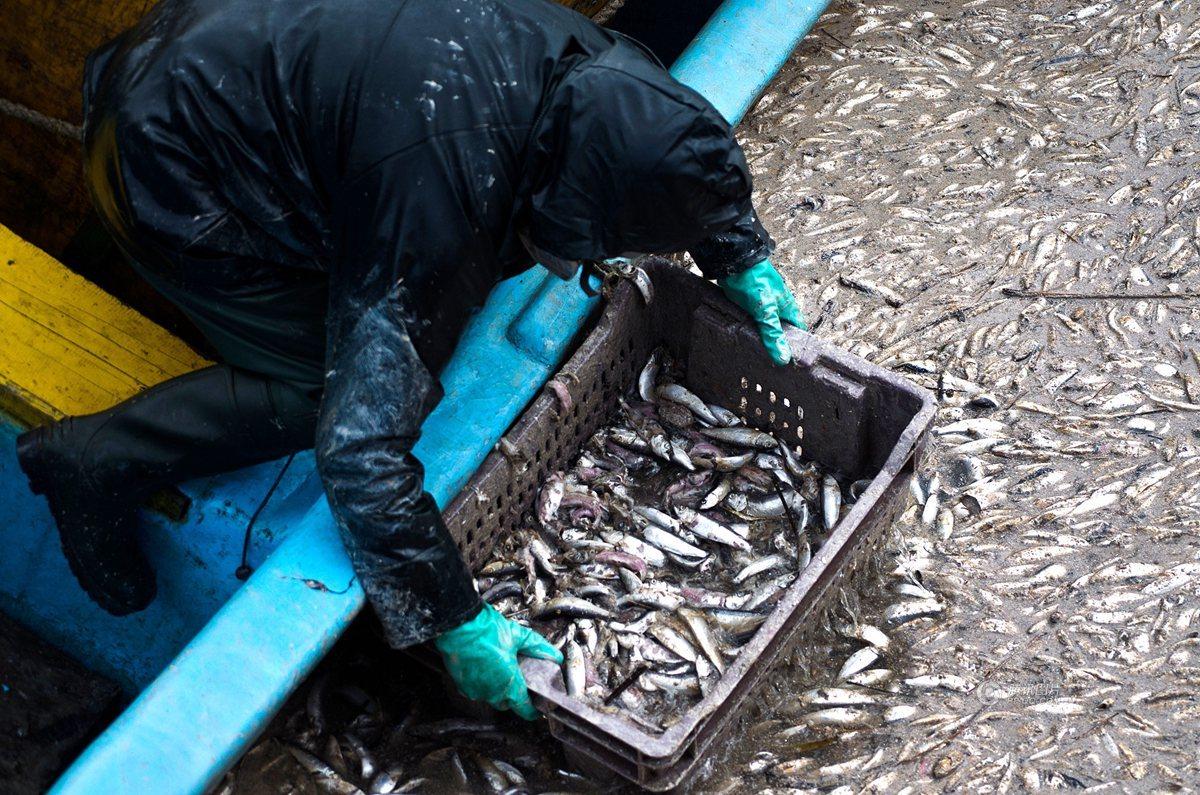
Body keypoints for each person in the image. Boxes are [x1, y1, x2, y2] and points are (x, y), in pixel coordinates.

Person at [16, 0, 806, 719]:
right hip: (166, 152)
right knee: (318, 386)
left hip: (235, 45)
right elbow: (358, 451)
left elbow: (674, 153)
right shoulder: (440, 200)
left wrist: (736, 249)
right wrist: (456, 617)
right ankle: (94, 458)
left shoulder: (597, 75)